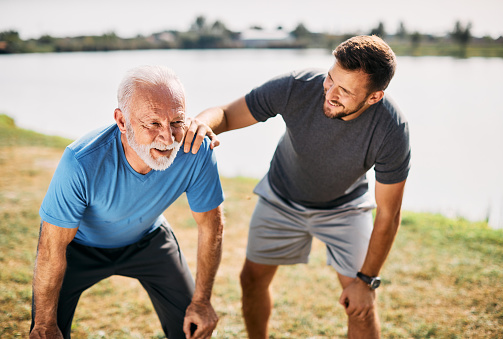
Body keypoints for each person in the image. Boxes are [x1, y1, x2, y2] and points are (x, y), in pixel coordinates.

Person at [183, 35, 411, 338]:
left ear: (374, 97)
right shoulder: (296, 87)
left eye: (345, 91)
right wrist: (200, 122)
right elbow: (225, 115)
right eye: (330, 80)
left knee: (360, 304)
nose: (330, 93)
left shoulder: (391, 131)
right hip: (281, 197)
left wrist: (367, 281)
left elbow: (388, 215)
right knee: (251, 280)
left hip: (345, 207)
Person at [30, 65, 225, 339]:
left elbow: (211, 227)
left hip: (148, 240)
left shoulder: (197, 150)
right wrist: (45, 323)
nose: (168, 138)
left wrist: (202, 301)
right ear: (122, 121)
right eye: (153, 123)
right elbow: (52, 247)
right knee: (47, 331)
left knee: (193, 327)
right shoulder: (81, 162)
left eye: (177, 122)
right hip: (78, 248)